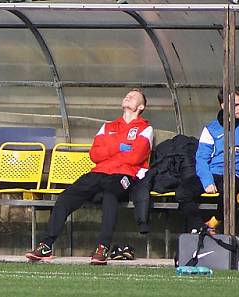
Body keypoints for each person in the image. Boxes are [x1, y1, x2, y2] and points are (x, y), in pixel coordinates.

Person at [25, 89, 152, 265]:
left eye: (133, 96)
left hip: (125, 174)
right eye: (127, 95)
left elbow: (135, 157)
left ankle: (103, 247)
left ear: (141, 106)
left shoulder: (146, 128)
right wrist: (120, 147)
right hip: (99, 172)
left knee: (110, 195)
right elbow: (95, 154)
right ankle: (45, 245)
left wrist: (111, 148)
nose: (128, 96)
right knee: (66, 196)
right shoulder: (107, 126)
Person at [176, 89, 239, 233]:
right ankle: (200, 227)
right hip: (214, 174)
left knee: (229, 189)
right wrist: (207, 181)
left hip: (236, 176)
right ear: (224, 105)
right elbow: (201, 159)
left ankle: (212, 223)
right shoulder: (211, 129)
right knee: (182, 192)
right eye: (237, 105)